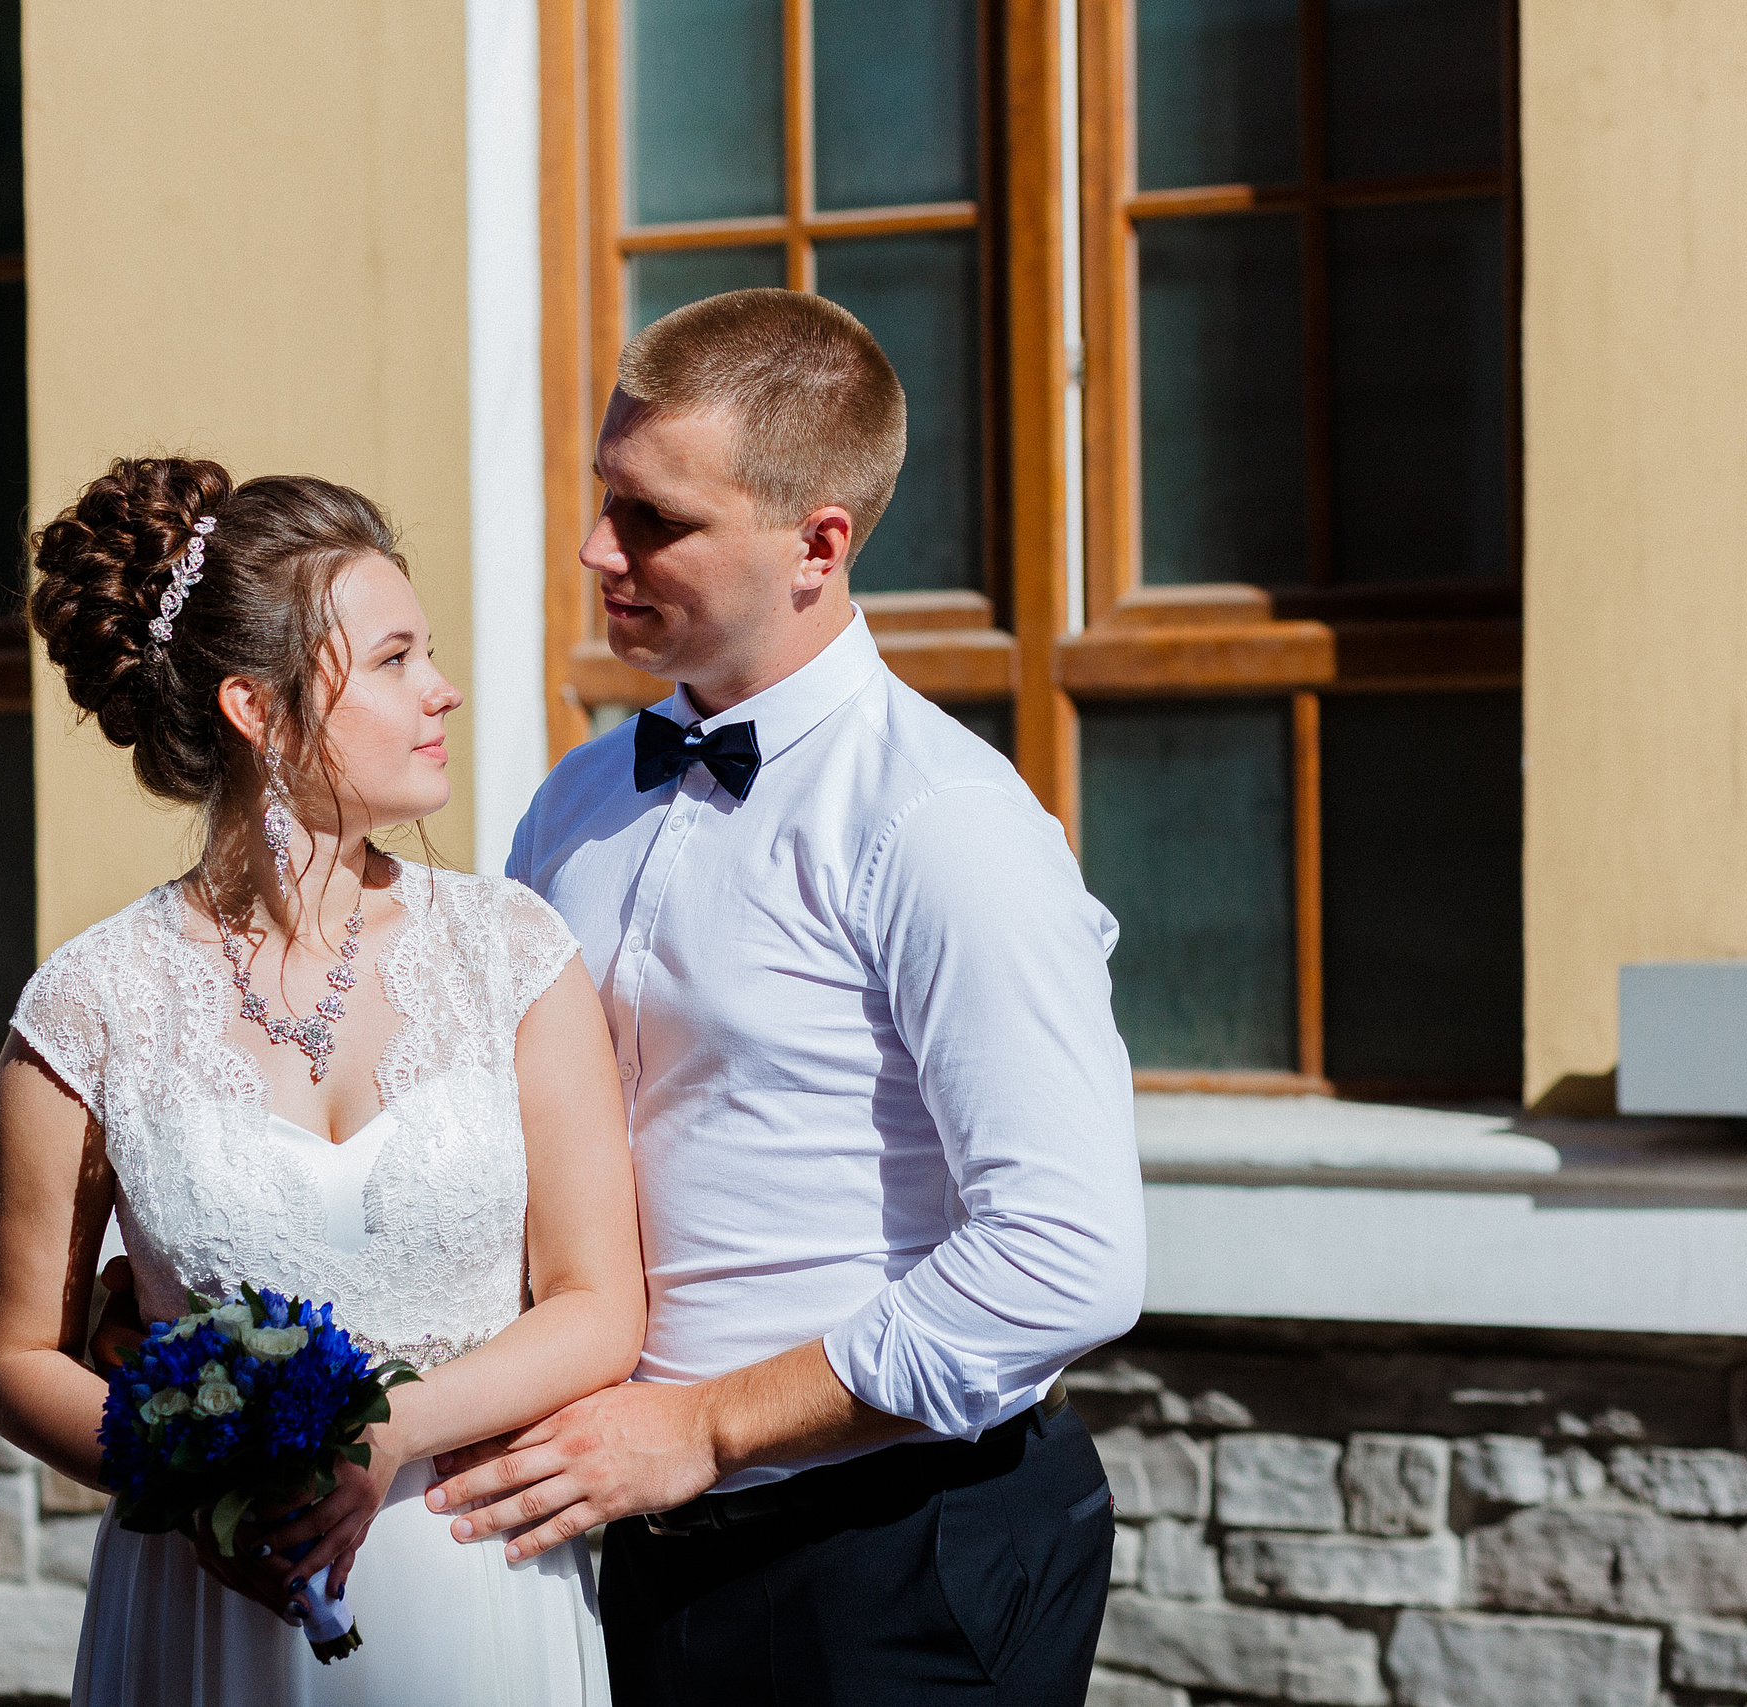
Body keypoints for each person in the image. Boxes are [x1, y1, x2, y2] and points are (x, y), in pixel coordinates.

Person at [431, 289, 1149, 1705]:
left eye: (654, 519)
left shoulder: (946, 820)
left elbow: (1071, 1253)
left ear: (818, 543)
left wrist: (703, 1426)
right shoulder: (573, 804)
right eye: (601, 500)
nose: (596, 549)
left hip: (894, 1559)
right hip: (621, 1549)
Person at [0, 459, 643, 1706]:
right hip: (207, 1611)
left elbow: (599, 1303)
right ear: (258, 711)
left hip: (471, 1588)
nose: (441, 691)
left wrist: (386, 1430)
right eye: (393, 662)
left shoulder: (513, 957)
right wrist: (187, 1484)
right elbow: (17, 1357)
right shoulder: (89, 1006)